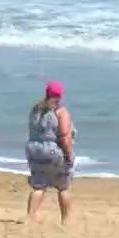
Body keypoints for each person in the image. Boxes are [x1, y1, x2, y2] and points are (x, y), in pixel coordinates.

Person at [25, 80, 77, 225]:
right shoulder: (60, 112)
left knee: (39, 186)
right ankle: (66, 219)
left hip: (34, 150)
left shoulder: (36, 111)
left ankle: (31, 216)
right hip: (53, 152)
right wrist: (68, 154)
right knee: (63, 186)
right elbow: (65, 135)